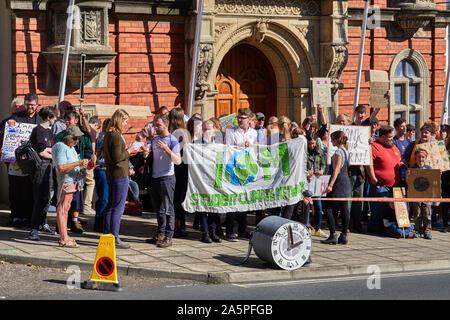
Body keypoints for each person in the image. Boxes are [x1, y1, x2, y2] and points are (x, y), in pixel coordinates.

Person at [145, 113, 181, 248]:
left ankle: (169, 236)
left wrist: (166, 149)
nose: (155, 127)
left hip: (167, 177)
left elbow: (178, 161)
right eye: (155, 125)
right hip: (155, 178)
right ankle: (160, 233)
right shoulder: (154, 140)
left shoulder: (173, 140)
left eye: (158, 125)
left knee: (168, 208)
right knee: (158, 209)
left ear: (166, 125)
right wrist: (146, 154)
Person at [56, 111, 93, 233]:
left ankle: (75, 220)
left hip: (78, 171)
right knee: (63, 203)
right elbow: (61, 166)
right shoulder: (61, 137)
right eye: (65, 119)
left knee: (77, 197)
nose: (67, 122)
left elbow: (89, 148)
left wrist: (86, 161)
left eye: (69, 119)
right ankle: (62, 225)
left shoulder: (84, 136)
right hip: (66, 174)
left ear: (76, 120)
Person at [52, 126, 89, 248]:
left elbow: (73, 166)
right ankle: (63, 238)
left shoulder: (71, 148)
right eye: (75, 138)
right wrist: (78, 163)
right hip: (66, 181)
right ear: (68, 137)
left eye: (78, 139)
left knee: (66, 208)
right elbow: (61, 168)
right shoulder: (60, 147)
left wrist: (84, 166)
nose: (77, 141)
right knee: (62, 208)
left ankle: (65, 236)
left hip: (72, 181)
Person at [224, 108, 257, 241]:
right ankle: (230, 231)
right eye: (238, 117)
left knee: (243, 201)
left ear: (249, 120)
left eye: (242, 118)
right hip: (234, 168)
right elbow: (227, 147)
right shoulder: (231, 132)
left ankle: (242, 230)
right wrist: (241, 144)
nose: (239, 120)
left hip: (247, 169)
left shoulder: (254, 133)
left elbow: (255, 149)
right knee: (232, 201)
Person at [103, 109, 134, 249]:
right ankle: (114, 237)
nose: (126, 123)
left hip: (112, 174)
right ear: (119, 120)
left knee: (111, 205)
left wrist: (124, 150)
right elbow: (117, 157)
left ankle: (107, 234)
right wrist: (129, 151)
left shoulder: (109, 134)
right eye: (125, 120)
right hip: (119, 174)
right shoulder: (115, 135)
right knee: (118, 208)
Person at [28, 106, 57, 240]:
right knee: (40, 198)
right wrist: (56, 156)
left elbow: (50, 149)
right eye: (54, 117)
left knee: (47, 198)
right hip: (40, 168)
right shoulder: (38, 131)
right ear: (49, 117)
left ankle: (42, 223)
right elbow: (41, 151)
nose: (55, 119)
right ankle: (34, 228)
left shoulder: (49, 132)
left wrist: (51, 152)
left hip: (49, 168)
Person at [366, 126, 402, 234]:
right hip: (380, 185)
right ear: (382, 137)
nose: (392, 139)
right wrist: (372, 177)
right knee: (378, 210)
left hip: (395, 186)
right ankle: (374, 230)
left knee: (390, 212)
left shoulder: (393, 147)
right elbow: (369, 164)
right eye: (389, 137)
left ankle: (386, 230)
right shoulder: (374, 147)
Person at [321, 130, 351, 245]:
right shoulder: (347, 151)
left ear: (336, 140)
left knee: (328, 207)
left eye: (332, 139)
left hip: (339, 182)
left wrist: (331, 185)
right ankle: (344, 235)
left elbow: (337, 169)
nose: (331, 141)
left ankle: (333, 234)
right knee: (344, 209)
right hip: (345, 181)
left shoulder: (339, 152)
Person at [169, 107, 189, 238]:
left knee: (175, 198)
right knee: (181, 197)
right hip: (184, 167)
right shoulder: (185, 132)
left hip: (176, 167)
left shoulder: (174, 133)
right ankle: (181, 224)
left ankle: (176, 225)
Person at [405, 149, 433, 239]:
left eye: (422, 157)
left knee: (427, 213)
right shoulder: (412, 169)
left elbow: (433, 182)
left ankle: (427, 231)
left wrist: (437, 175)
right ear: (415, 158)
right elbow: (408, 183)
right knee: (417, 213)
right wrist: (407, 176)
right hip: (416, 195)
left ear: (425, 158)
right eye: (418, 157)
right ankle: (417, 230)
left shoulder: (429, 168)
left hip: (426, 195)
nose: (420, 159)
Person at [305, 134, 327, 237]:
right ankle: (307, 227)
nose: (311, 146)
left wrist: (322, 170)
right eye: (309, 143)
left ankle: (317, 228)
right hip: (307, 182)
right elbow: (300, 165)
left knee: (318, 206)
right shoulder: (304, 152)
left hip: (317, 182)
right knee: (307, 205)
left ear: (316, 143)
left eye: (313, 143)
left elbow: (323, 164)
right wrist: (306, 171)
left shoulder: (320, 152)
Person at [93, 118, 110, 232]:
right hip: (102, 168)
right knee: (103, 197)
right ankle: (99, 223)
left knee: (105, 197)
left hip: (106, 169)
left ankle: (103, 221)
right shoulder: (103, 137)